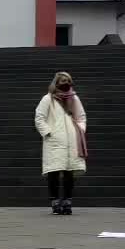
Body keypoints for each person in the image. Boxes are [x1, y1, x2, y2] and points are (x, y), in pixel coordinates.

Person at [34, 72, 87, 215]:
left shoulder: (74, 98)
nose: (66, 83)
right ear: (56, 82)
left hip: (72, 140)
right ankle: (55, 202)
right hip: (54, 141)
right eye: (63, 80)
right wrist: (48, 133)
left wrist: (80, 130)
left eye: (68, 80)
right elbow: (39, 117)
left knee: (69, 173)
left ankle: (67, 202)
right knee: (54, 173)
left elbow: (81, 116)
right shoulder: (48, 99)